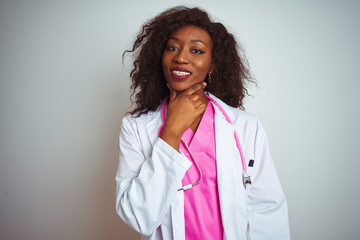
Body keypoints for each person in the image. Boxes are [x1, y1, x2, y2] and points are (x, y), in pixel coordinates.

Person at [116, 6, 290, 240]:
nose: (181, 57)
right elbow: (138, 216)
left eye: (196, 50)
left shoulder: (245, 127)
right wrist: (172, 131)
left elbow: (267, 211)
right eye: (172, 47)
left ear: (212, 64)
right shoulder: (135, 127)